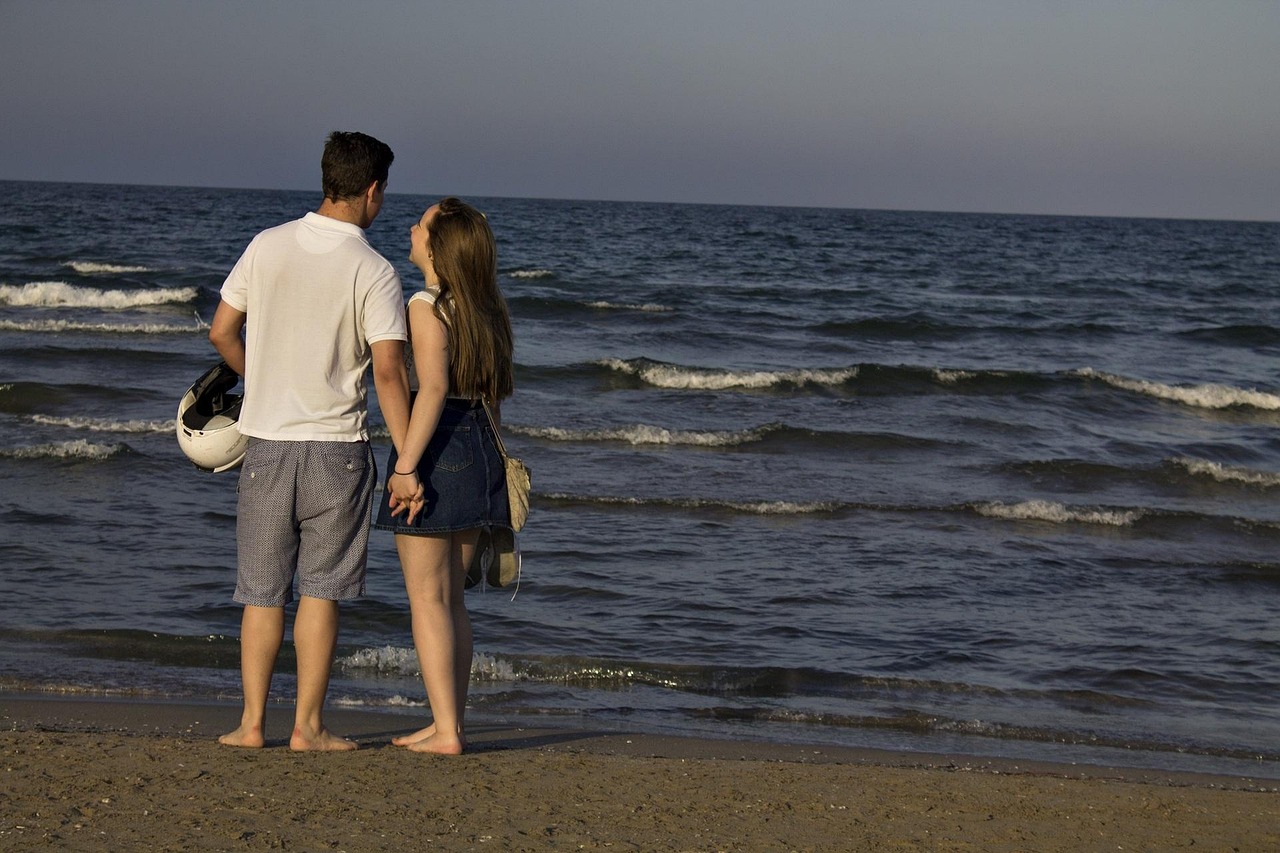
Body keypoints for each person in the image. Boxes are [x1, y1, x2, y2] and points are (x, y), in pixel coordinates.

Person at [208, 131, 416, 751]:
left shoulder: (266, 246)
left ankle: (250, 725)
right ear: (372, 189)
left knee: (261, 589)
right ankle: (309, 727)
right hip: (335, 448)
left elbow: (223, 331)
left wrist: (262, 378)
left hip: (266, 442)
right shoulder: (374, 270)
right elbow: (386, 373)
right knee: (321, 590)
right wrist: (408, 458)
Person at [375, 197, 515, 755]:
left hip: (436, 446)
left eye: (421, 224)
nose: (411, 228)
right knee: (451, 599)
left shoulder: (425, 304)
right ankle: (446, 723)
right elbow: (491, 399)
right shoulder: (484, 308)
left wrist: (407, 466)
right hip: (478, 443)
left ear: (437, 246)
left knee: (427, 600)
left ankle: (448, 732)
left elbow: (430, 388)